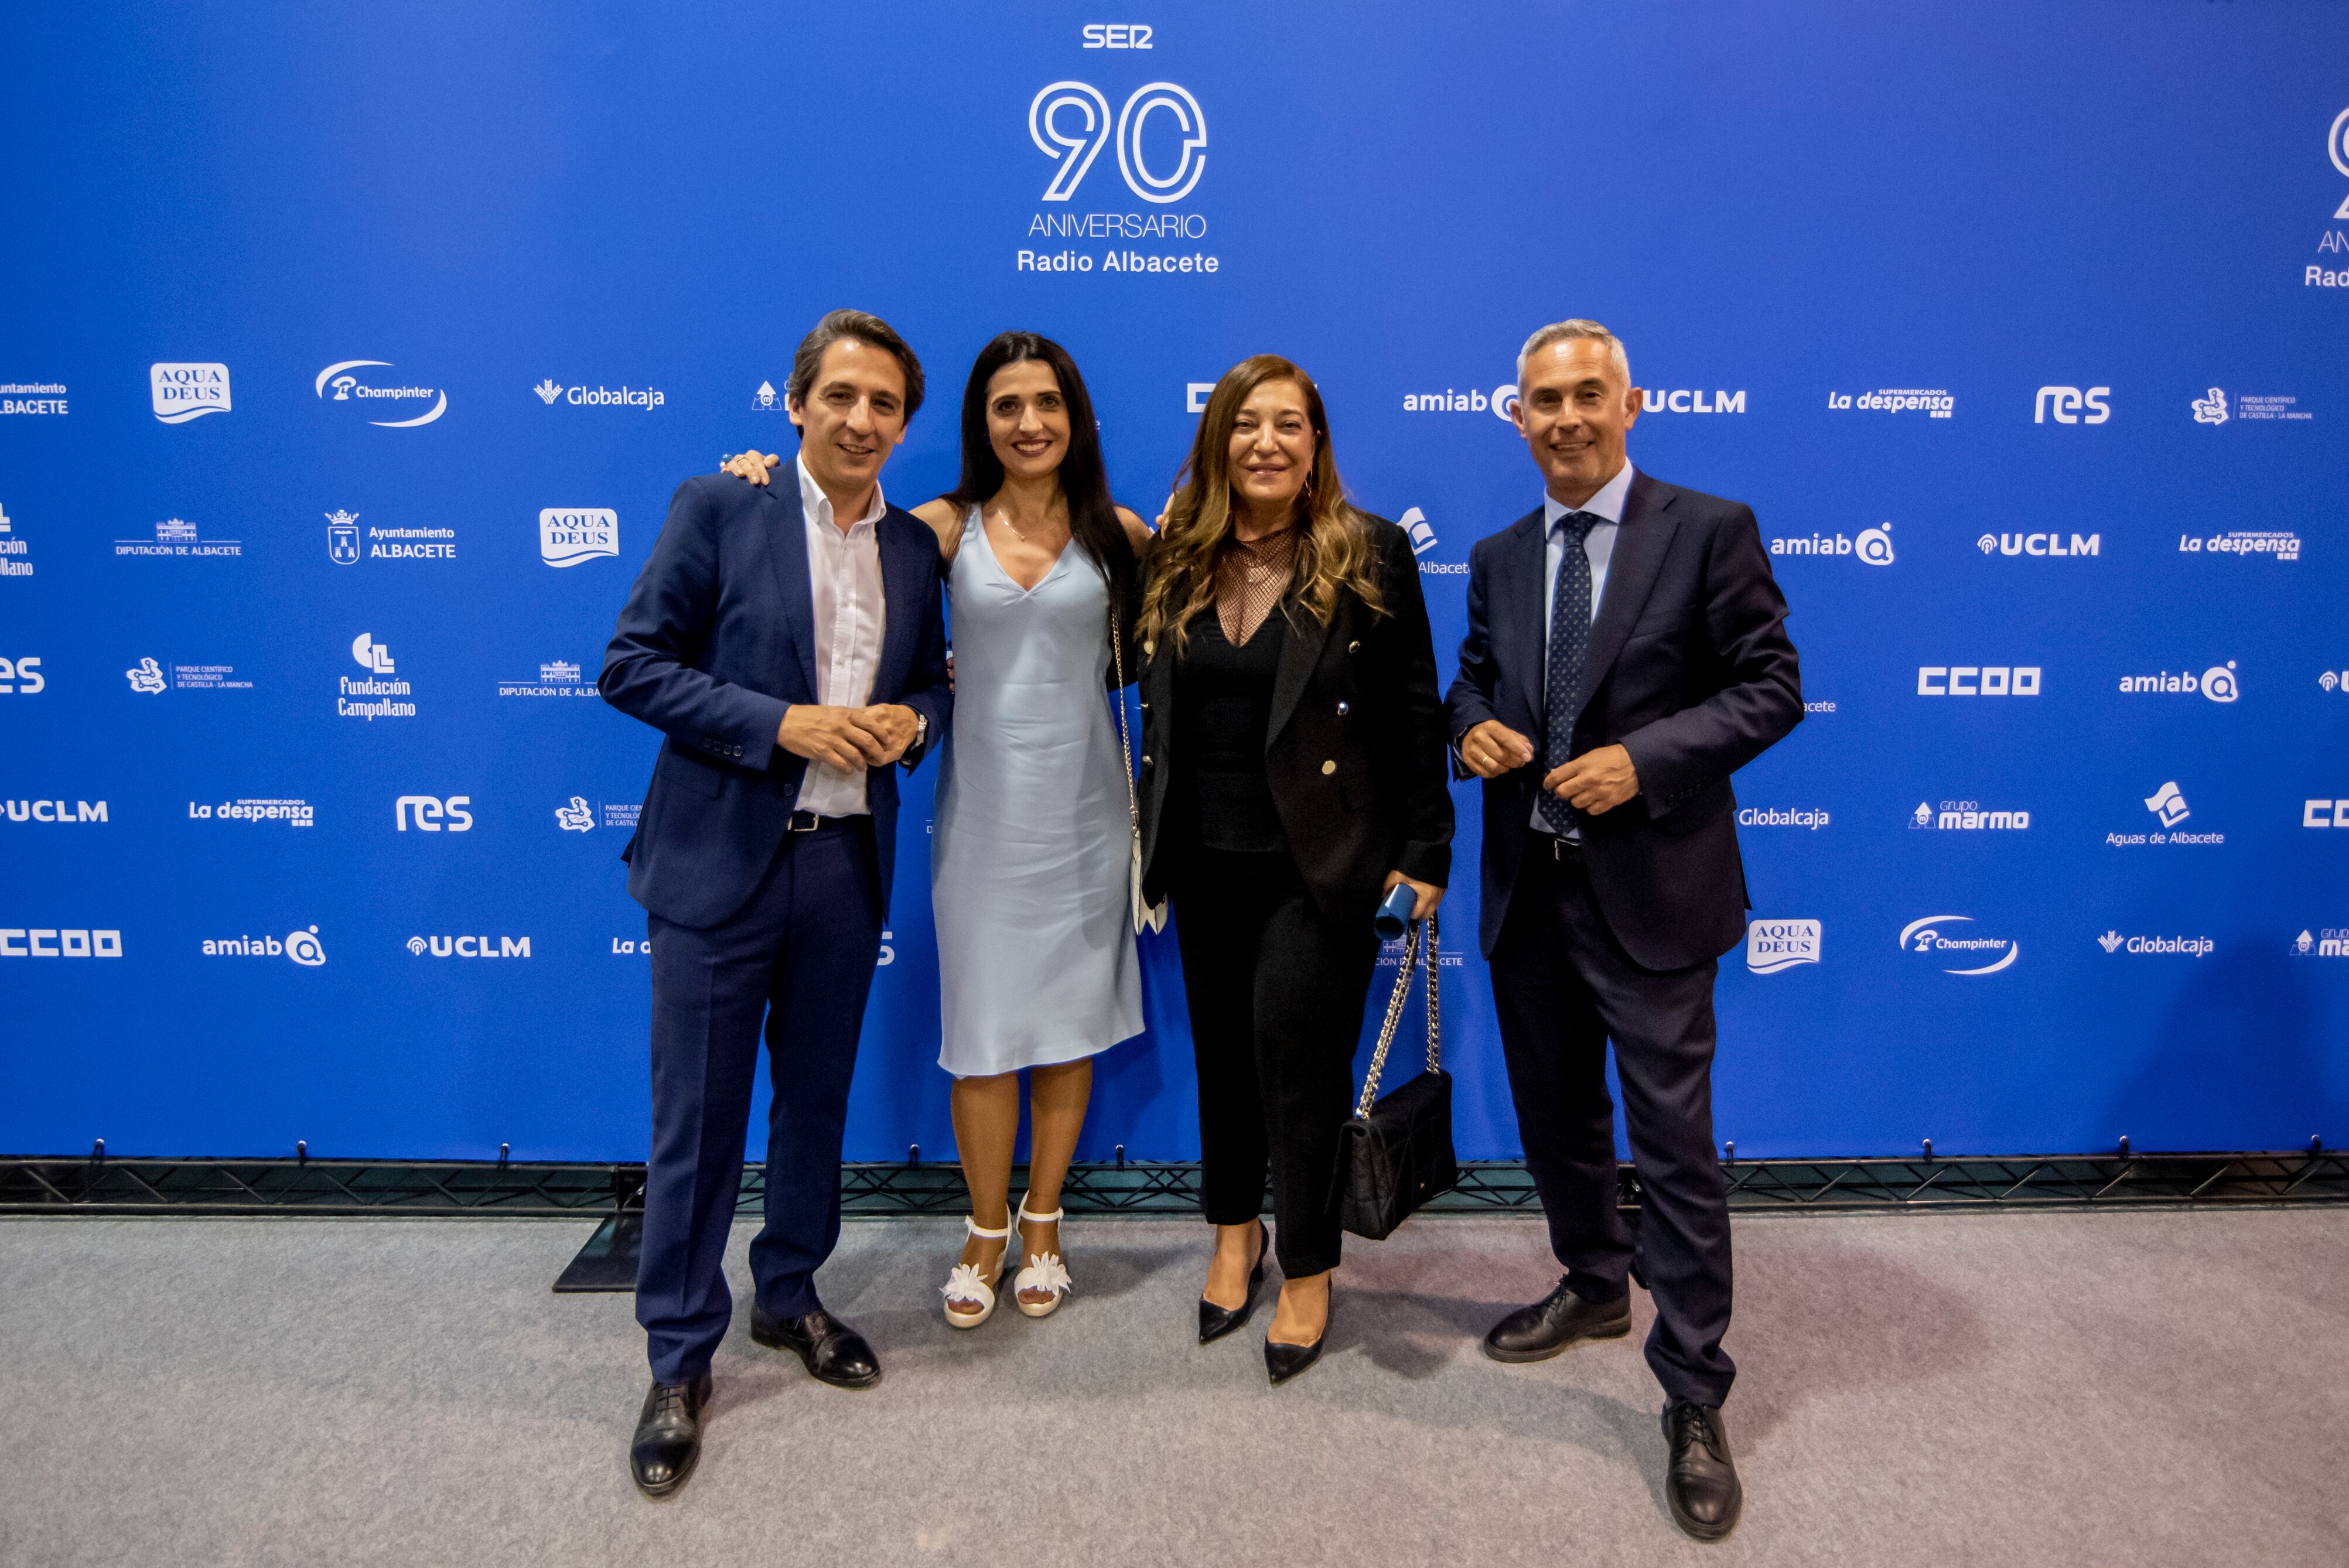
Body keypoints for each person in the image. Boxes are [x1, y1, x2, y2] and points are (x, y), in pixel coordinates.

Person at [1445, 320, 1801, 1542]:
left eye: (1587, 395)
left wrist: (1644, 762)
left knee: (1674, 1144)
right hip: (1525, 891)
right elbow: (1477, 675)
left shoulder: (1707, 528)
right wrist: (1470, 728)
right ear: (1516, 416)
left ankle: (1694, 1389)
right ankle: (1597, 1283)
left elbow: (1772, 686)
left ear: (1631, 401)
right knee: (1555, 1121)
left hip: (1653, 890)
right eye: (1542, 401)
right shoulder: (1496, 554)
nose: (1566, 418)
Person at [721, 332, 1153, 1330]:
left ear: (1074, 415)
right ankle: (986, 1225)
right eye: (1007, 405)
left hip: (1089, 817)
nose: (1030, 422)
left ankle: (1044, 1222)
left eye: (1047, 402)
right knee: (986, 1034)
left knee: (1067, 1030)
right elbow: (820, 539)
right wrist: (751, 481)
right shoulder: (939, 528)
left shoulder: (1120, 533)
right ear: (980, 422)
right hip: (983, 820)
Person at [600, 309, 951, 1500]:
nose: (862, 420)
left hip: (843, 868)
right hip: (716, 868)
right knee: (696, 1121)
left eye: (885, 404)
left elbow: (925, 687)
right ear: (796, 403)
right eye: (841, 396)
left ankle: (789, 1294)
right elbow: (631, 662)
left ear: (905, 423)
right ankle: (677, 1356)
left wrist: (914, 723)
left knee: (812, 1106)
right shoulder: (722, 504)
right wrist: (779, 725)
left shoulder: (912, 549)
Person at [1134, 354, 1452, 1385]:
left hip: (1322, 864)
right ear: (1217, 437)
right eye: (1246, 423)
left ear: (1315, 444)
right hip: (1199, 854)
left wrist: (1427, 849)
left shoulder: (1370, 552)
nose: (1266, 441)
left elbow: (1415, 709)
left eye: (1290, 424)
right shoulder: (1176, 552)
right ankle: (1236, 1233)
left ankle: (1310, 1265)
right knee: (1224, 1060)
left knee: (1298, 1067)